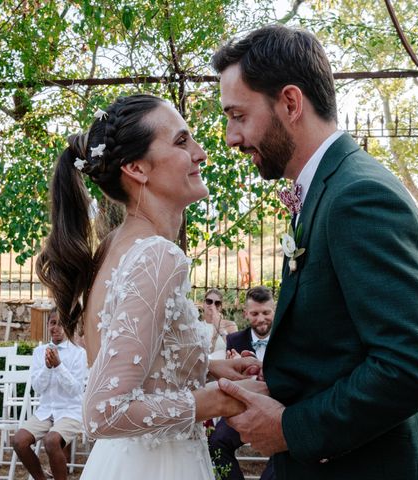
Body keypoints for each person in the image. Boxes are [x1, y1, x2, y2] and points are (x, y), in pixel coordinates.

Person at [212, 24, 418, 480]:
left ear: (290, 103)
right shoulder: (328, 190)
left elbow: (414, 366)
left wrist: (291, 428)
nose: (231, 137)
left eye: (238, 115)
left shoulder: (357, 196)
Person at [35, 94, 265, 480]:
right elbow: (103, 412)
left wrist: (205, 367)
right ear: (136, 168)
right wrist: (217, 401)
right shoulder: (157, 256)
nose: (201, 153)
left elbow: (132, 362)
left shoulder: (115, 246)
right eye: (181, 142)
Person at [209, 286, 276, 480]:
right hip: (242, 408)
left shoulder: (286, 339)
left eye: (266, 313)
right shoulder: (234, 339)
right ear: (246, 313)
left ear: (274, 310)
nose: (261, 318)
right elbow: (230, 377)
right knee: (216, 442)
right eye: (255, 313)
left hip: (278, 408)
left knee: (285, 449)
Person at [12, 308, 87, 480]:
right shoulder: (39, 352)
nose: (56, 328)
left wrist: (59, 366)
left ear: (69, 326)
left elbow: (75, 390)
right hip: (46, 411)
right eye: (53, 323)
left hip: (70, 411)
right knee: (19, 441)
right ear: (48, 324)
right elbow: (37, 388)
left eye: (61, 324)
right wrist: (47, 367)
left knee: (51, 441)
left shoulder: (78, 353)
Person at [202, 288, 238, 358]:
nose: (213, 305)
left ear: (220, 307)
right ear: (203, 304)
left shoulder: (230, 325)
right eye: (209, 301)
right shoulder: (196, 326)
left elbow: (234, 351)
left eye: (217, 303)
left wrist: (219, 327)